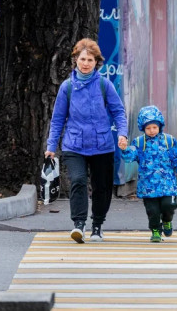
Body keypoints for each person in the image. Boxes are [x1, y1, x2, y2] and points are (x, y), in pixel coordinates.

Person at [45, 38, 129, 244]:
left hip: (102, 145)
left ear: (96, 62)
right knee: (79, 181)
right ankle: (79, 224)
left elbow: (118, 112)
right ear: (75, 60)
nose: (85, 63)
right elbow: (57, 119)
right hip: (74, 145)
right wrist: (51, 147)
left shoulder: (104, 84)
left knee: (102, 186)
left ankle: (98, 225)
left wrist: (122, 134)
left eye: (90, 60)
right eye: (82, 59)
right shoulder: (67, 87)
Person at [120, 106, 177, 243]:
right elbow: (130, 156)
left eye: (154, 128)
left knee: (169, 205)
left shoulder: (169, 141)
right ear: (143, 128)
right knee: (152, 210)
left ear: (160, 126)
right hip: (148, 185)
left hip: (167, 184)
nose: (151, 131)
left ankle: (167, 220)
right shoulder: (139, 142)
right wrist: (125, 149)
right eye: (148, 128)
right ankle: (156, 230)